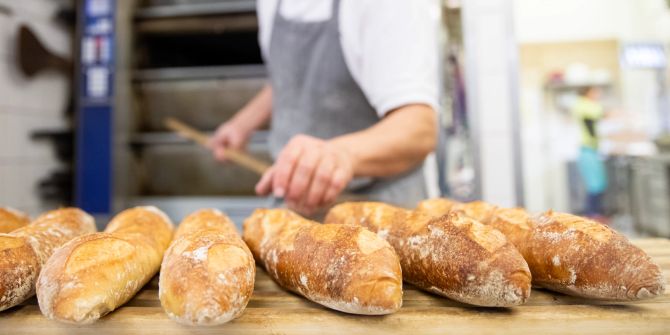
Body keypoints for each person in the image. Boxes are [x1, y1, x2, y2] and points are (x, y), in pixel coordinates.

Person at [209, 0, 440, 216]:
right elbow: (295, 78)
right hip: (294, 209)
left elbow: (419, 127)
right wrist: (243, 123)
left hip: (380, 214)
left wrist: (342, 155)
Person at [572, 86, 608, 221]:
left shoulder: (586, 106)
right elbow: (599, 113)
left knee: (598, 184)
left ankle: (595, 214)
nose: (598, 94)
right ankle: (592, 215)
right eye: (595, 91)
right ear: (587, 93)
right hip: (587, 150)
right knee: (595, 185)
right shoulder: (584, 106)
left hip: (592, 150)